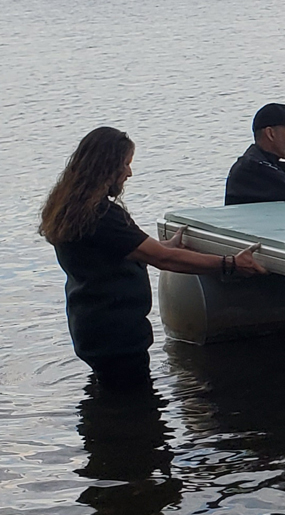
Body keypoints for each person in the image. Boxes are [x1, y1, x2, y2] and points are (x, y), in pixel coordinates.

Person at [41, 127, 267, 386]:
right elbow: (164, 260)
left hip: (89, 327)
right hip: (118, 336)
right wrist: (230, 263)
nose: (129, 173)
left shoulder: (69, 209)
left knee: (110, 399)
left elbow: (123, 252)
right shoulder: (102, 215)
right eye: (125, 165)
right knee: (134, 404)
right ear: (107, 166)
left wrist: (167, 246)